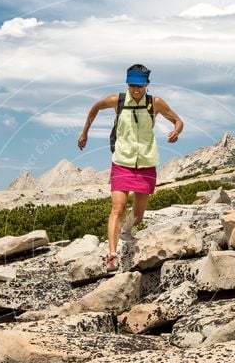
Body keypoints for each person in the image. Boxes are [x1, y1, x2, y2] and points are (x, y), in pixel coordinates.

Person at [78, 64, 184, 271]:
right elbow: (95, 108)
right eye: (132, 85)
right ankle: (112, 255)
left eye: (140, 85)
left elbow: (178, 121)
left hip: (146, 162)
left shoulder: (155, 103)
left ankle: (126, 232)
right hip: (122, 161)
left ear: (147, 84)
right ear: (127, 84)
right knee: (117, 208)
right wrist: (85, 132)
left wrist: (176, 131)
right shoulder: (116, 101)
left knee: (138, 215)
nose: (135, 89)